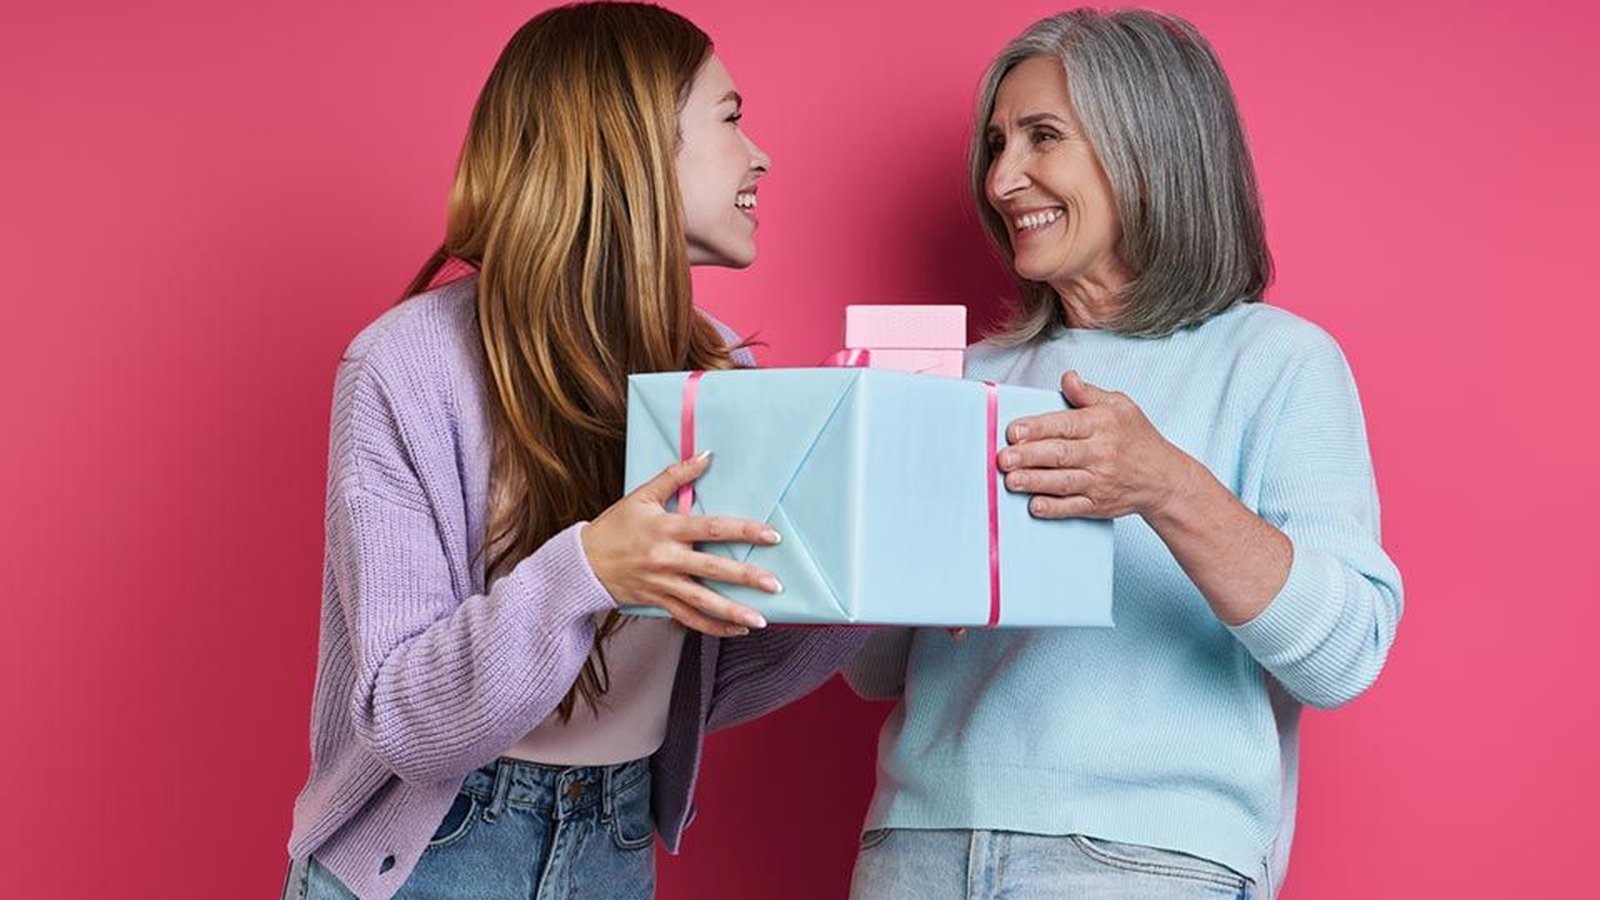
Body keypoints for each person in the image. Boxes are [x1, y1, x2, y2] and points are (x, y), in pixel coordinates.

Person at [281, 5, 863, 898]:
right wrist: (588, 569)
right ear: (629, 146)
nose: (761, 154)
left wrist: (874, 583)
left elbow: (707, 680)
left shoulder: (720, 369)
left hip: (614, 841)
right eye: (731, 117)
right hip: (438, 848)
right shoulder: (407, 364)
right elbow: (402, 716)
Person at [846, 10, 1403, 898]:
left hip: (1144, 860)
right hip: (919, 844)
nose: (1002, 179)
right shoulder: (957, 377)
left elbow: (1344, 656)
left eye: (1042, 138)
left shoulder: (1278, 362)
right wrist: (862, 526)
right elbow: (876, 673)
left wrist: (1165, 484)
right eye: (996, 144)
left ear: (1148, 148)